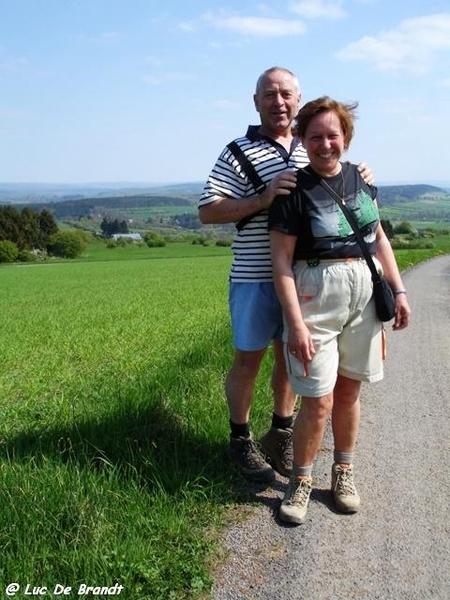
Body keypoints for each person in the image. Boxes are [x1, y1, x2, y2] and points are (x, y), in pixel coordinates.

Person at [198, 67, 373, 483]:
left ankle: (280, 431)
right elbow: (207, 211)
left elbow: (337, 182)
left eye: (286, 94)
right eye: (270, 94)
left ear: (298, 100)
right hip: (255, 275)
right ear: (256, 101)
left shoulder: (310, 143)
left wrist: (361, 176)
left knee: (293, 359)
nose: (279, 101)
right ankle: (240, 439)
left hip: (305, 282)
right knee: (248, 360)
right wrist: (261, 198)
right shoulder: (237, 151)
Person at [268, 96, 411, 524]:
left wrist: (399, 291)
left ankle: (343, 472)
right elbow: (281, 262)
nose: (325, 144)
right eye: (315, 136)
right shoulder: (293, 190)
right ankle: (301, 479)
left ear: (345, 138)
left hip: (364, 292)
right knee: (317, 399)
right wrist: (295, 324)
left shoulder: (361, 180)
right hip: (316, 293)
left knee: (350, 392)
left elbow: (378, 237)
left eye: (333, 135)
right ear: (302, 139)